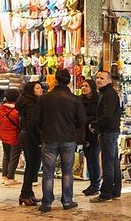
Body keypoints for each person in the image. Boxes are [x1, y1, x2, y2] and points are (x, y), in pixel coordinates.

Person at [33, 69, 86, 212]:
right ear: (69, 81)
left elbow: (35, 119)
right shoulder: (75, 99)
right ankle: (67, 201)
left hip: (49, 137)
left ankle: (46, 203)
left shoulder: (44, 98)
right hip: (68, 138)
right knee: (67, 171)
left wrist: (44, 130)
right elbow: (82, 121)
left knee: (48, 172)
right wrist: (71, 126)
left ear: (55, 80)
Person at [90, 71, 123, 203]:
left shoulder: (108, 94)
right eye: (97, 78)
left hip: (108, 132)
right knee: (113, 162)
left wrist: (94, 124)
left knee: (108, 163)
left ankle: (106, 194)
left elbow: (107, 115)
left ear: (108, 80)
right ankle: (115, 191)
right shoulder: (106, 93)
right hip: (110, 132)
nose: (98, 80)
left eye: (102, 78)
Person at [15, 81, 42, 207]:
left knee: (32, 167)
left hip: (27, 136)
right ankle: (24, 195)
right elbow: (33, 124)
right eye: (37, 88)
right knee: (32, 166)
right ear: (32, 90)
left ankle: (28, 193)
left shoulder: (27, 101)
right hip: (31, 137)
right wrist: (39, 140)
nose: (40, 89)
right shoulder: (31, 104)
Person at [0, 89, 22, 186]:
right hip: (15, 135)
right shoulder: (17, 110)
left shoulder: (0, 109)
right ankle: (10, 178)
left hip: (3, 135)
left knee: (6, 156)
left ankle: (4, 176)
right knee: (14, 157)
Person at [78, 79, 101, 196]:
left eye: (86, 86)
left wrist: (90, 122)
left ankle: (96, 184)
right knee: (89, 158)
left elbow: (98, 116)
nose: (84, 88)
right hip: (84, 134)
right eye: (82, 85)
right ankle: (92, 184)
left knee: (93, 158)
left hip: (94, 133)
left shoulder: (98, 100)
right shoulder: (80, 100)